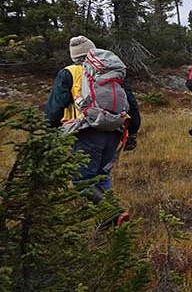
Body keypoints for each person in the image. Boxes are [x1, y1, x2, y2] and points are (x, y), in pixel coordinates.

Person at [44, 36, 141, 220]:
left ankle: (114, 214)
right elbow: (132, 104)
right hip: (115, 131)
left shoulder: (68, 73)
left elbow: (55, 108)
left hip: (86, 132)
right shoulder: (112, 71)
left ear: (73, 56)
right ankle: (110, 224)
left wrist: (48, 131)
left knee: (82, 180)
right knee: (101, 176)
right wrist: (133, 131)